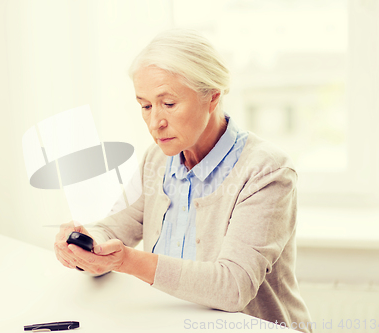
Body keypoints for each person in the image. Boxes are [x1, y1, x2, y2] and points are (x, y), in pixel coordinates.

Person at [54, 28, 313, 333]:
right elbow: (114, 229)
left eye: (169, 103)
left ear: (213, 96)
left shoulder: (267, 172)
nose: (155, 122)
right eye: (146, 106)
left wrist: (125, 262)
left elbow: (232, 287)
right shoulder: (157, 159)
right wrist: (85, 245)